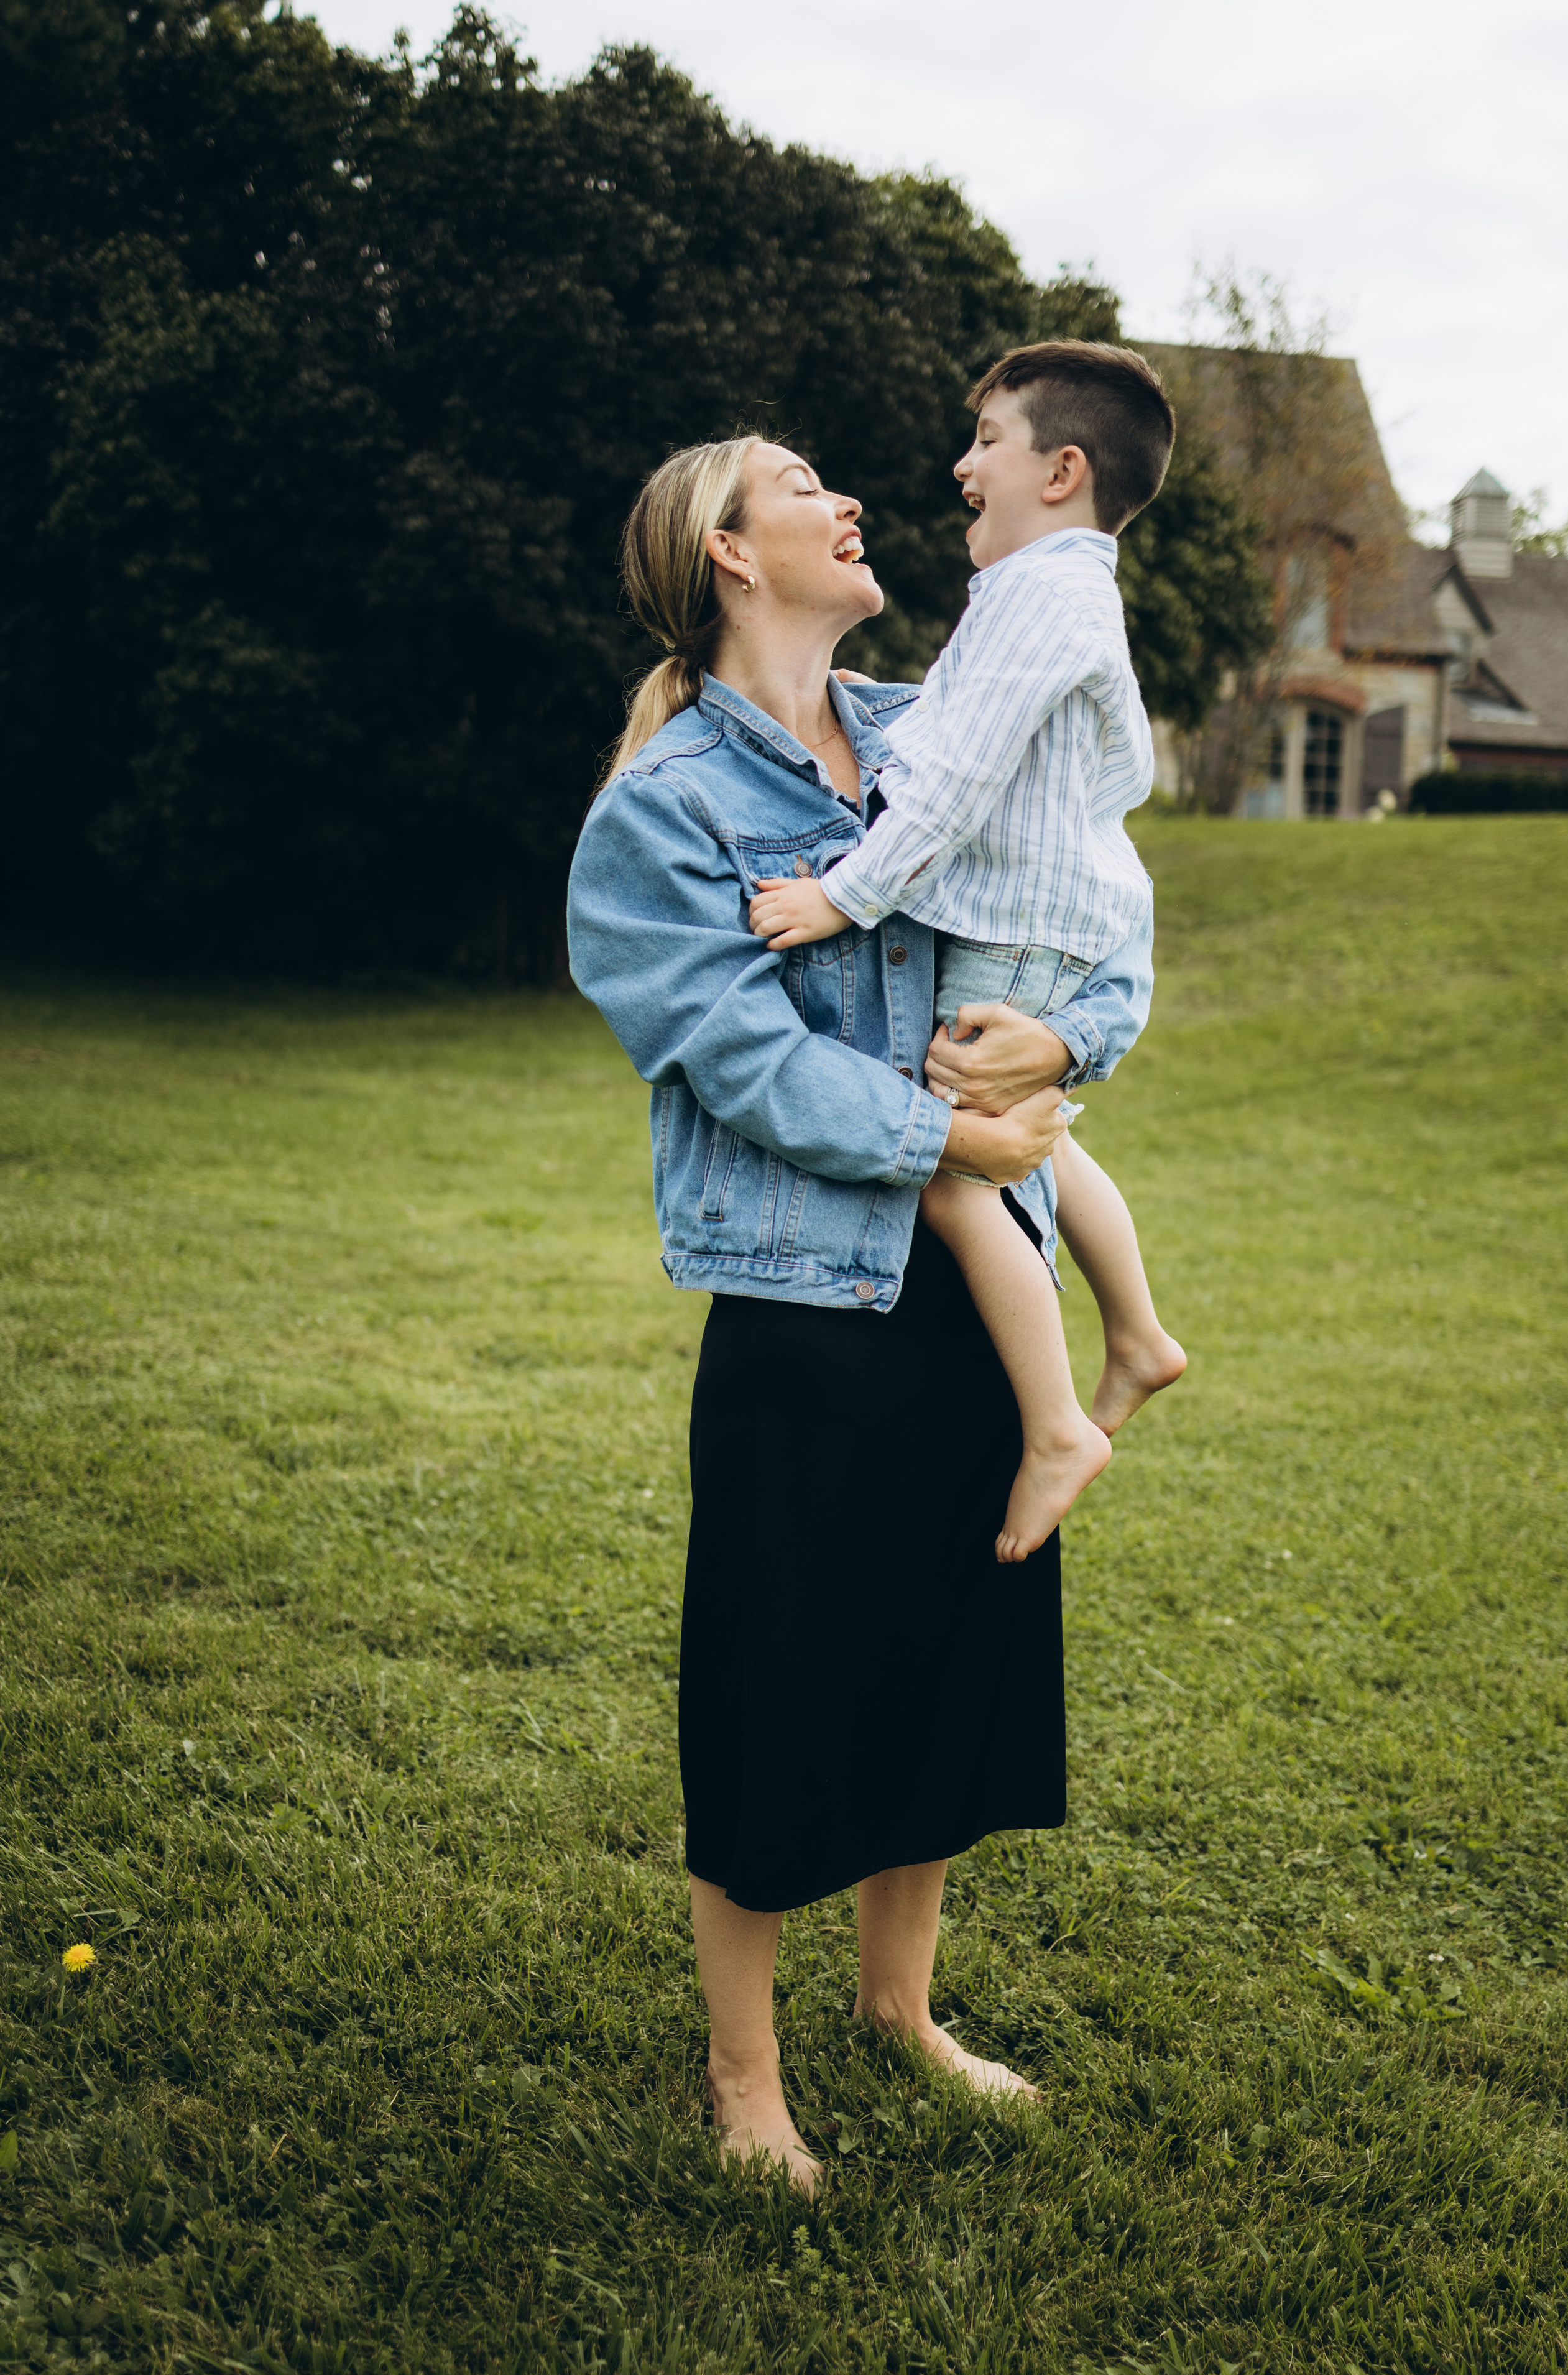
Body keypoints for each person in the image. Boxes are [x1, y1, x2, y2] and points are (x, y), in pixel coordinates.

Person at [566, 433, 1145, 2197]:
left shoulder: (936, 725)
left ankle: (902, 2007)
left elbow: (1093, 900)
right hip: (811, 1300)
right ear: (732, 556)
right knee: (776, 1682)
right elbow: (735, 1059)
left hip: (981, 1288)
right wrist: (957, 1134)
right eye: (803, 485)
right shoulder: (662, 809)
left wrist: (1076, 1039)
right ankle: (749, 2081)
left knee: (946, 1657)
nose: (850, 502)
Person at [749, 343, 1188, 1564]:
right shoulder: (1051, 595)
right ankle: (1140, 1338)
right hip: (1038, 921)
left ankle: (1055, 1423)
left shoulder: (1043, 597)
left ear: (1059, 470)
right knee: (1040, 1134)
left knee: (956, 1170)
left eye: (984, 439)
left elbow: (952, 783)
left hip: (1013, 932)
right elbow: (1106, 772)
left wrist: (840, 897)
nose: (960, 464)